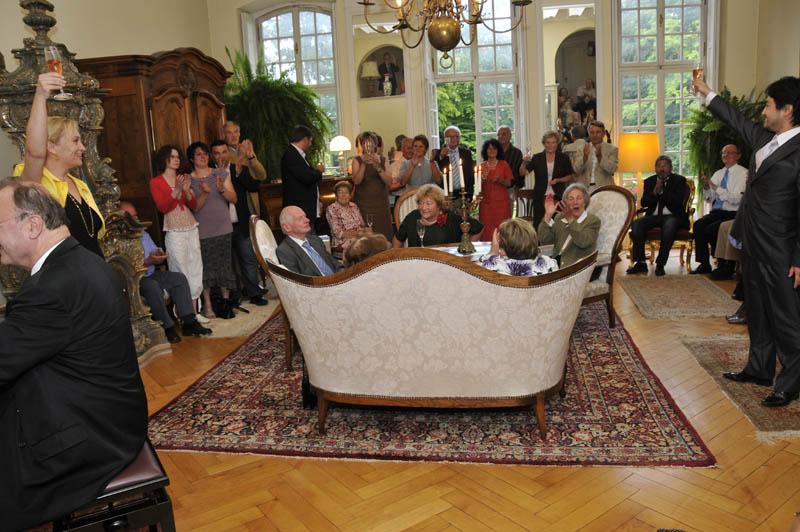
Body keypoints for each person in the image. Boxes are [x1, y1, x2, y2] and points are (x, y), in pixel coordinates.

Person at [0, 180, 147, 531]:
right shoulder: (83, 261)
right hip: (113, 415)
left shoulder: (53, 287)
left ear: (33, 225)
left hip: (90, 438)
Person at [694, 75, 800, 407]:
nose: (763, 111)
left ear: (787, 110)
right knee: (757, 309)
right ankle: (759, 369)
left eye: (769, 105)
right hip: (752, 242)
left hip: (782, 249)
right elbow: (735, 119)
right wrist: (707, 93)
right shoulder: (764, 139)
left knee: (786, 317)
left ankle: (790, 383)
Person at [14, 72, 105, 258]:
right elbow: (34, 153)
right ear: (51, 146)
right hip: (63, 272)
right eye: (75, 141)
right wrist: (40, 95)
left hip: (95, 269)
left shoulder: (79, 185)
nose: (83, 148)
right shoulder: (37, 182)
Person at [120, 201, 211, 342]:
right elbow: (125, 266)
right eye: (130, 216)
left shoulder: (142, 232)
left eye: (135, 215)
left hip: (152, 272)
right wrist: (148, 261)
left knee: (179, 278)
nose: (135, 219)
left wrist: (159, 255)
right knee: (152, 287)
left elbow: (155, 250)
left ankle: (189, 323)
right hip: (136, 279)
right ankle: (168, 327)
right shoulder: (120, 239)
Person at [210, 140, 269, 306]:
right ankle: (235, 296)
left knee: (249, 260)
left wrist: (239, 173)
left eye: (224, 152)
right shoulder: (209, 173)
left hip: (241, 223)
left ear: (228, 153)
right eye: (217, 153)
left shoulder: (238, 168)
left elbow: (254, 187)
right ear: (212, 156)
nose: (221, 156)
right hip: (220, 227)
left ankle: (254, 294)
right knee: (228, 263)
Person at [149, 145, 206, 319]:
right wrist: (177, 190)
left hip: (191, 227)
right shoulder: (156, 182)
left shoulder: (183, 178)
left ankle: (195, 312)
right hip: (174, 230)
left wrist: (187, 191)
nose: (176, 160)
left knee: (196, 267)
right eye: (172, 156)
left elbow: (193, 206)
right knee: (180, 269)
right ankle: (185, 313)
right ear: (164, 159)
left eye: (177, 157)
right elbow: (163, 207)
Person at [188, 141, 238, 319]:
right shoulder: (188, 179)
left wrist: (222, 190)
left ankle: (226, 303)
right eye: (198, 154)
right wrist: (205, 192)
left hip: (223, 227)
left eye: (204, 154)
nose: (202, 157)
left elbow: (234, 198)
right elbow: (194, 207)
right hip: (202, 230)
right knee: (206, 269)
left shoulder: (220, 173)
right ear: (192, 159)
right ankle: (208, 305)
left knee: (224, 266)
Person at [626, 155, 689, 277]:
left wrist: (662, 192)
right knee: (637, 224)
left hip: (673, 215)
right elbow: (644, 203)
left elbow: (677, 202)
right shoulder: (649, 181)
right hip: (653, 216)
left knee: (669, 225)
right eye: (659, 166)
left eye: (665, 166)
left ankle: (660, 264)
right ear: (655, 168)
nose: (662, 169)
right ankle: (640, 262)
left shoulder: (679, 180)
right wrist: (654, 193)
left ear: (670, 168)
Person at [690, 144, 747, 276]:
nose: (725, 155)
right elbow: (709, 199)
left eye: (730, 153)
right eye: (723, 153)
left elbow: (736, 199)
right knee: (698, 225)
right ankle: (704, 264)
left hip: (733, 213)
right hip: (718, 211)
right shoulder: (719, 173)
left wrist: (716, 187)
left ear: (738, 156)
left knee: (712, 229)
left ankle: (725, 264)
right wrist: (706, 187)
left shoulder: (743, 174)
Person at [393, 184, 482, 247]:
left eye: (428, 203)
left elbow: (478, 228)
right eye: (420, 203)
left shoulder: (451, 217)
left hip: (446, 263)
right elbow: (397, 240)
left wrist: (468, 246)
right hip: (417, 263)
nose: (423, 207)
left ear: (439, 205)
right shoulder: (412, 217)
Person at [520, 131, 575, 227]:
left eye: (553, 142)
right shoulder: (537, 157)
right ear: (544, 144)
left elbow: (570, 176)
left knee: (558, 224)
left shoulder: (564, 158)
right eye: (548, 142)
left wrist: (558, 180)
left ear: (557, 143)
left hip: (558, 196)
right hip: (540, 197)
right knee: (540, 224)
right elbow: (523, 173)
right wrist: (524, 162)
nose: (550, 145)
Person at [538, 183, 601, 267]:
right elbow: (544, 238)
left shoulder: (593, 221)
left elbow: (583, 242)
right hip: (556, 264)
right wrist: (548, 215)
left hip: (577, 267)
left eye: (579, 198)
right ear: (566, 203)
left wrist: (570, 220)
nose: (575, 202)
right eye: (571, 199)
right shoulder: (559, 218)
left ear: (585, 201)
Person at [276, 206, 344, 276]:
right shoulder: (285, 251)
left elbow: (334, 263)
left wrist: (343, 275)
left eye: (305, 216)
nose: (307, 220)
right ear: (287, 227)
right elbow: (297, 280)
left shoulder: (316, 240)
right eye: (300, 218)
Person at [281, 124, 325, 231]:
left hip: (306, 207)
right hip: (300, 209)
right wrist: (318, 171)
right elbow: (307, 178)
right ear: (305, 139)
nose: (310, 144)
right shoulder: (291, 155)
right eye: (310, 141)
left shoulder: (297, 154)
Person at [479, 218, 558, 276]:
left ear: (503, 251)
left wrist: (493, 252)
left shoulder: (495, 267)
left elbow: (473, 273)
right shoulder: (549, 264)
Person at [352, 131, 394, 241]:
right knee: (367, 236)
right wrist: (364, 164)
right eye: (364, 143)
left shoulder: (383, 160)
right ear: (361, 145)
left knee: (384, 234)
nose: (368, 145)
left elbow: (389, 182)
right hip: (364, 204)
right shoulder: (357, 160)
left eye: (370, 142)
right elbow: (356, 181)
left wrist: (378, 167)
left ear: (375, 144)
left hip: (381, 204)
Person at [478, 138, 513, 241]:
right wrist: (483, 178)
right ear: (485, 151)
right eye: (489, 149)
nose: (492, 151)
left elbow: (509, 183)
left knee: (502, 228)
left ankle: (504, 247)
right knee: (486, 229)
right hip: (486, 205)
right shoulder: (481, 166)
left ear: (498, 151)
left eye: (494, 148)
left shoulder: (504, 164)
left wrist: (500, 180)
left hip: (502, 205)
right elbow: (477, 187)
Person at [568, 121, 619, 191]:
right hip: (584, 189)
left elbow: (612, 169)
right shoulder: (582, 148)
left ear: (603, 133)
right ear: (589, 134)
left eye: (598, 132)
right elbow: (576, 170)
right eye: (592, 132)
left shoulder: (612, 149)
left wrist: (600, 156)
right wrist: (584, 157)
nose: (595, 135)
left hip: (604, 189)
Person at [326, 180, 370, 253]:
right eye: (340, 192)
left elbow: (362, 224)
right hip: (342, 241)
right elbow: (337, 233)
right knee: (366, 247)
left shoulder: (354, 206)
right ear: (336, 195)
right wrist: (357, 233)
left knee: (379, 240)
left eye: (346, 192)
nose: (343, 195)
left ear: (350, 195)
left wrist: (366, 230)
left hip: (359, 238)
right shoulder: (332, 209)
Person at [435, 125, 476, 204]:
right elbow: (436, 174)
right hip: (446, 195)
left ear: (459, 138)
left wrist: (471, 192)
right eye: (449, 137)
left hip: (464, 194)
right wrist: (441, 156)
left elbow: (471, 174)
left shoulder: (466, 153)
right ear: (445, 139)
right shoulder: (438, 154)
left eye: (455, 136)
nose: (452, 139)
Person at [389, 136, 414, 208]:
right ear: (402, 149)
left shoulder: (421, 163)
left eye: (413, 148)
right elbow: (389, 187)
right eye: (408, 148)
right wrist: (402, 182)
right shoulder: (395, 166)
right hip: (402, 200)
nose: (411, 151)